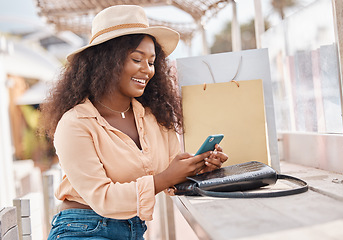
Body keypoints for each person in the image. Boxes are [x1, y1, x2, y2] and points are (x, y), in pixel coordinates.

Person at [41, 5, 228, 240]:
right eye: (137, 59)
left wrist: (201, 168)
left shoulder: (156, 117)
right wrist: (166, 178)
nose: (147, 70)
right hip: (81, 229)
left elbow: (170, 176)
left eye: (151, 62)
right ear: (105, 61)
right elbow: (104, 198)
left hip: (134, 230)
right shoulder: (75, 124)